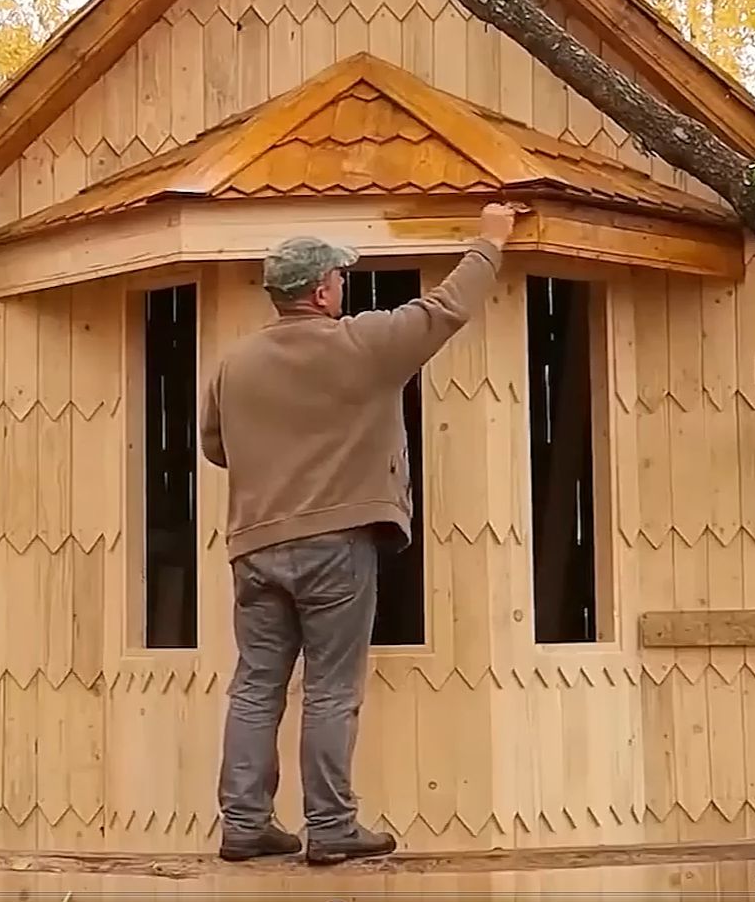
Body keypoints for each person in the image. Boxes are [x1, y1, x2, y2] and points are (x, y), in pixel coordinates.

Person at [199, 201, 524, 865]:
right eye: (339, 279)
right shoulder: (362, 345)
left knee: (255, 688)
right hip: (334, 547)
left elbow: (215, 447)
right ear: (321, 290)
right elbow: (446, 308)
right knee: (330, 689)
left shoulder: (233, 365)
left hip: (253, 548)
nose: (344, 288)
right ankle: (331, 828)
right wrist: (490, 239)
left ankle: (243, 825)